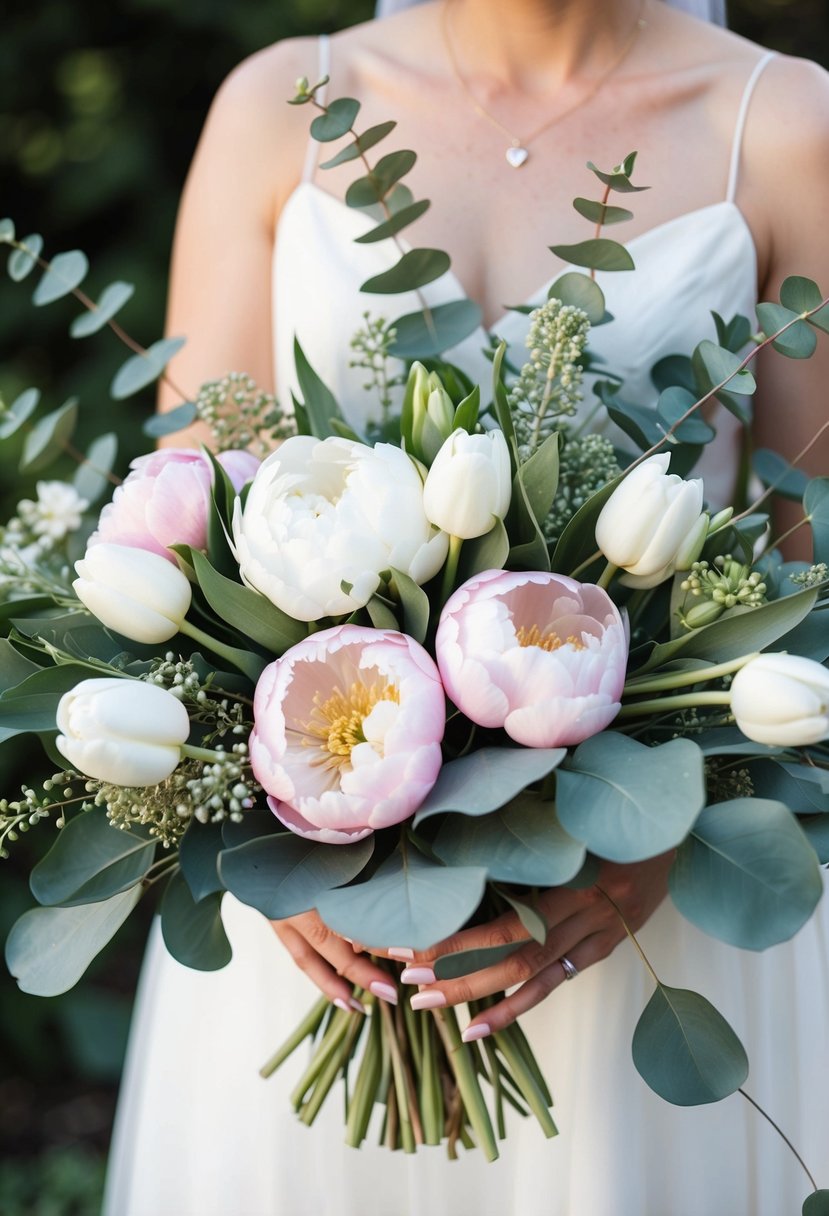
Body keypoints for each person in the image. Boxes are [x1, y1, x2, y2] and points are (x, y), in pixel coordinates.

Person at [103, 1, 829, 1212]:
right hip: (321, 913)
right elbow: (184, 537)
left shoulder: (784, 121)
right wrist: (260, 845)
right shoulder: (276, 105)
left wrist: (655, 850)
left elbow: (811, 563)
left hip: (640, 906)